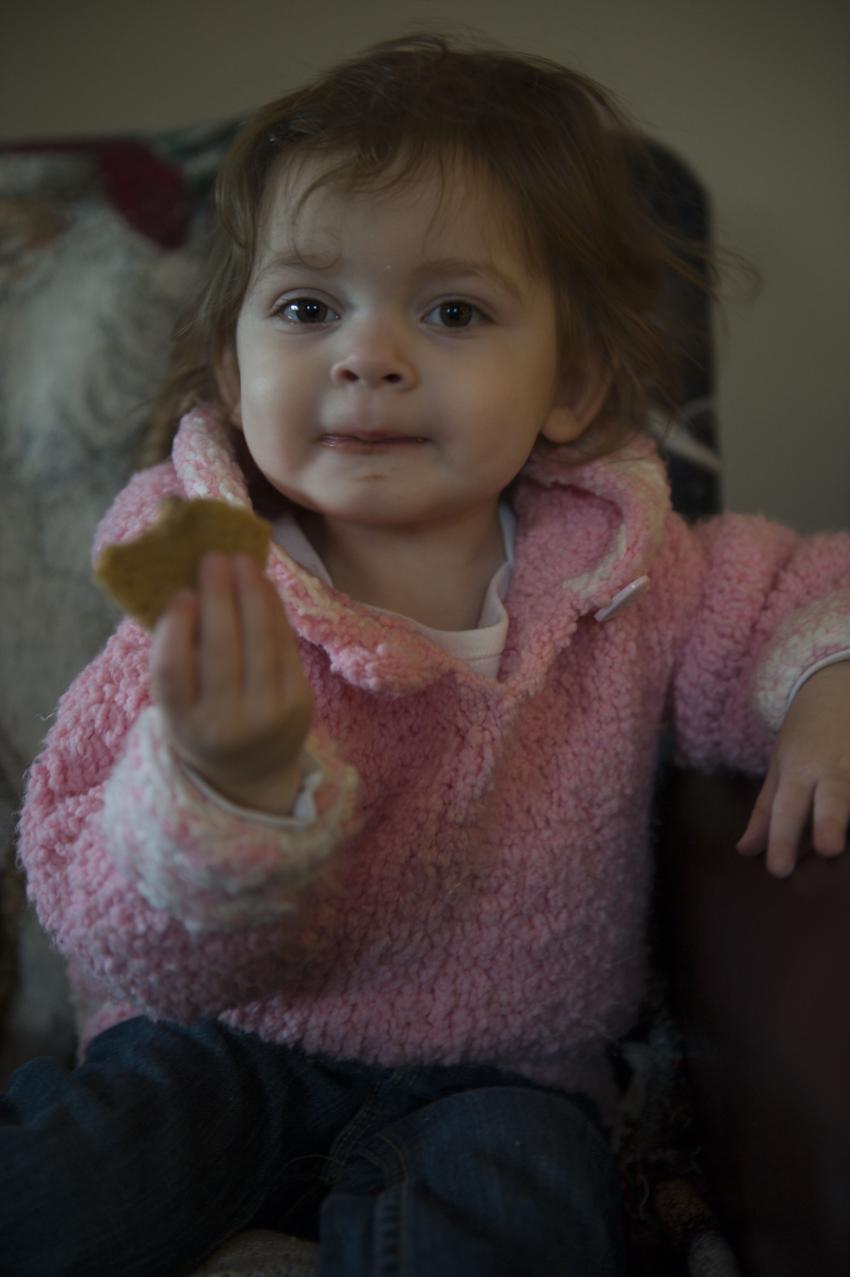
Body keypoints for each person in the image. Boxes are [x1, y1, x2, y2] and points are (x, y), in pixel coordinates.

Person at [3, 33, 850, 1277]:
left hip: (499, 1071)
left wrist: (826, 682)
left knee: (532, 1206)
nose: (368, 355)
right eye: (307, 308)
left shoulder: (626, 571)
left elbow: (799, 588)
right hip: (217, 1035)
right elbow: (103, 918)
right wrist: (221, 792)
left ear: (570, 383)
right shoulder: (203, 573)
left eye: (452, 311)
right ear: (235, 367)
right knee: (71, 1184)